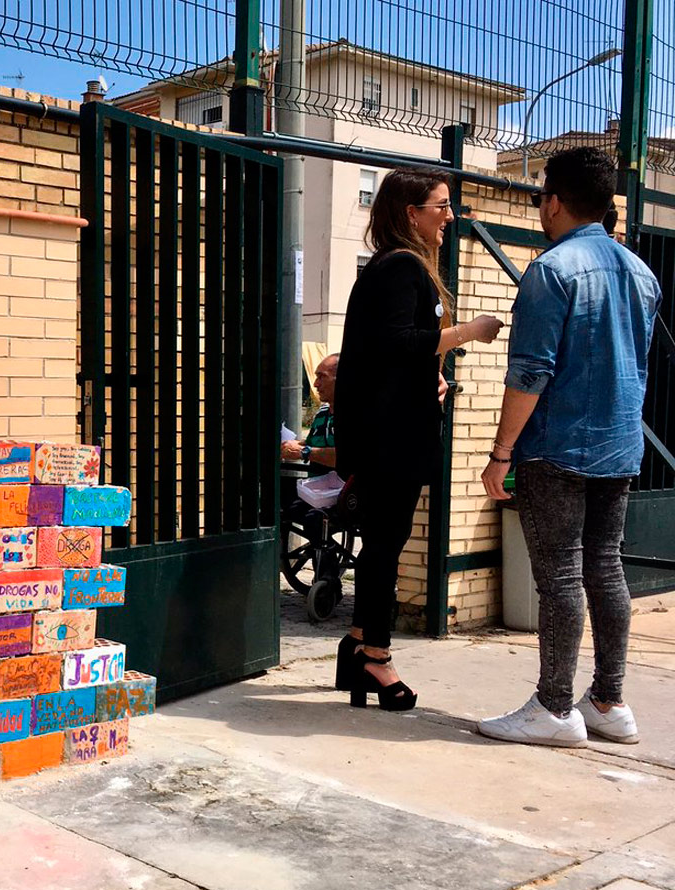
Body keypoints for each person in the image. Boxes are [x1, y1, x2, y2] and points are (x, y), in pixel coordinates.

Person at [478, 147, 660, 748]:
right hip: (620, 444)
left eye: (539, 199)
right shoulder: (642, 273)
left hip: (556, 447)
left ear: (553, 201)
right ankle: (609, 701)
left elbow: (530, 371)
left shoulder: (551, 270)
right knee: (605, 569)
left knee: (559, 577)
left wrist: (502, 452)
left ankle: (555, 709)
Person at [333, 167, 504, 711]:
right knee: (385, 545)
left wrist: (428, 374)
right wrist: (466, 333)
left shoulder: (394, 268)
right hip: (390, 439)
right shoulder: (400, 266)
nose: (450, 219)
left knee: (384, 540)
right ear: (412, 214)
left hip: (390, 431)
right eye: (441, 207)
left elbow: (387, 352)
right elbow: (397, 342)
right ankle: (376, 659)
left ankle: (358, 645)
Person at [281, 353, 339, 475]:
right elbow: (313, 444)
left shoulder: (359, 417)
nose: (315, 384)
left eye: (322, 377)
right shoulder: (322, 413)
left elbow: (350, 457)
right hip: (317, 491)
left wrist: (304, 452)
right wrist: (290, 446)